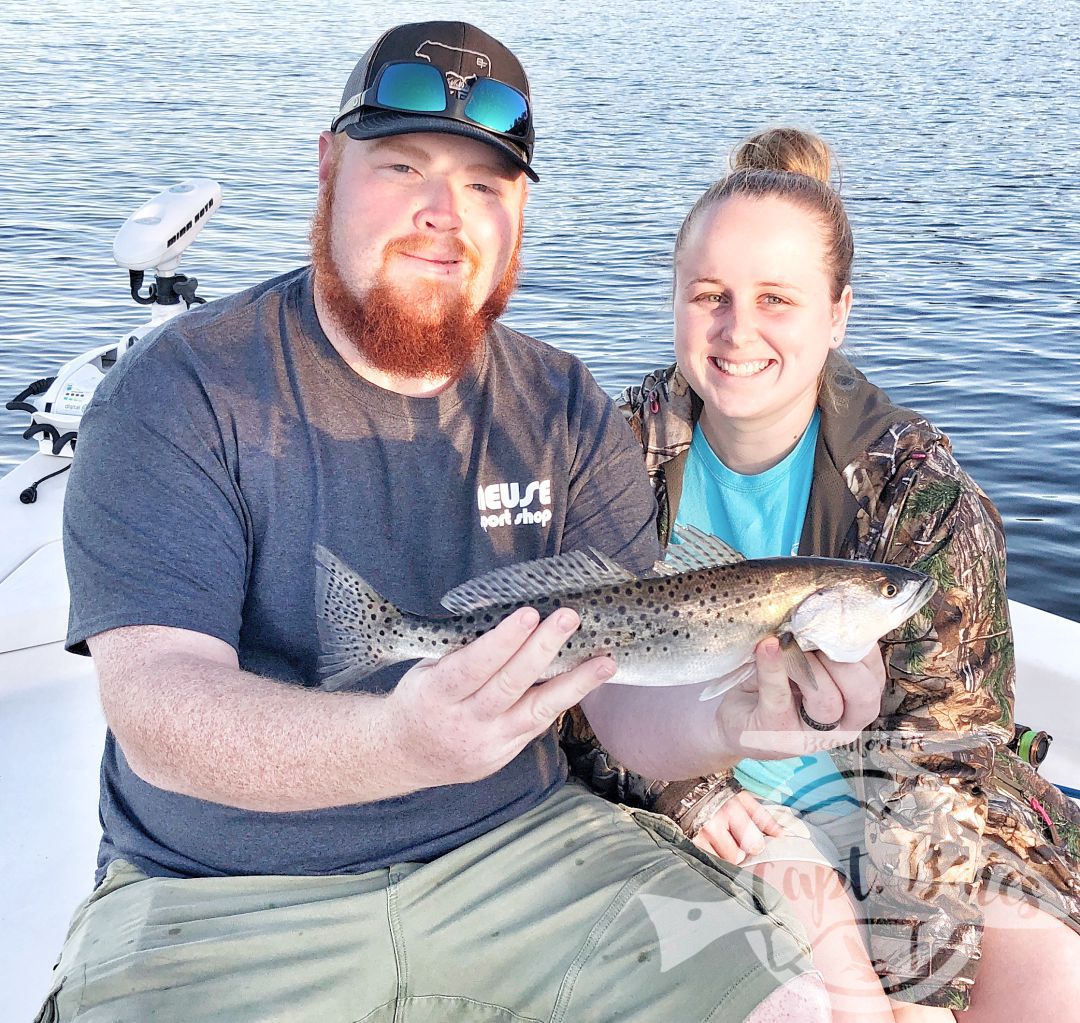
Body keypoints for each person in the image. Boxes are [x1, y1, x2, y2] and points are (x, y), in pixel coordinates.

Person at [38, 28, 888, 1023]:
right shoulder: (182, 391)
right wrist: (403, 738)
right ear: (328, 167)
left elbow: (627, 709)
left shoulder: (564, 405)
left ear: (520, 209)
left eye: (486, 185)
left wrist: (749, 715)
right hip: (223, 893)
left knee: (795, 1005)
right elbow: (161, 714)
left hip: (525, 850)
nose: (442, 215)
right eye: (403, 167)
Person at [562, 127, 1080, 1022]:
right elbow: (569, 686)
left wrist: (916, 980)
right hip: (714, 817)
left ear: (837, 311)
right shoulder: (607, 460)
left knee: (1045, 986)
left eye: (777, 299)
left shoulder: (920, 496)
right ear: (675, 300)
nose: (739, 330)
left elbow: (946, 750)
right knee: (815, 981)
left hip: (916, 817)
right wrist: (689, 791)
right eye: (710, 295)